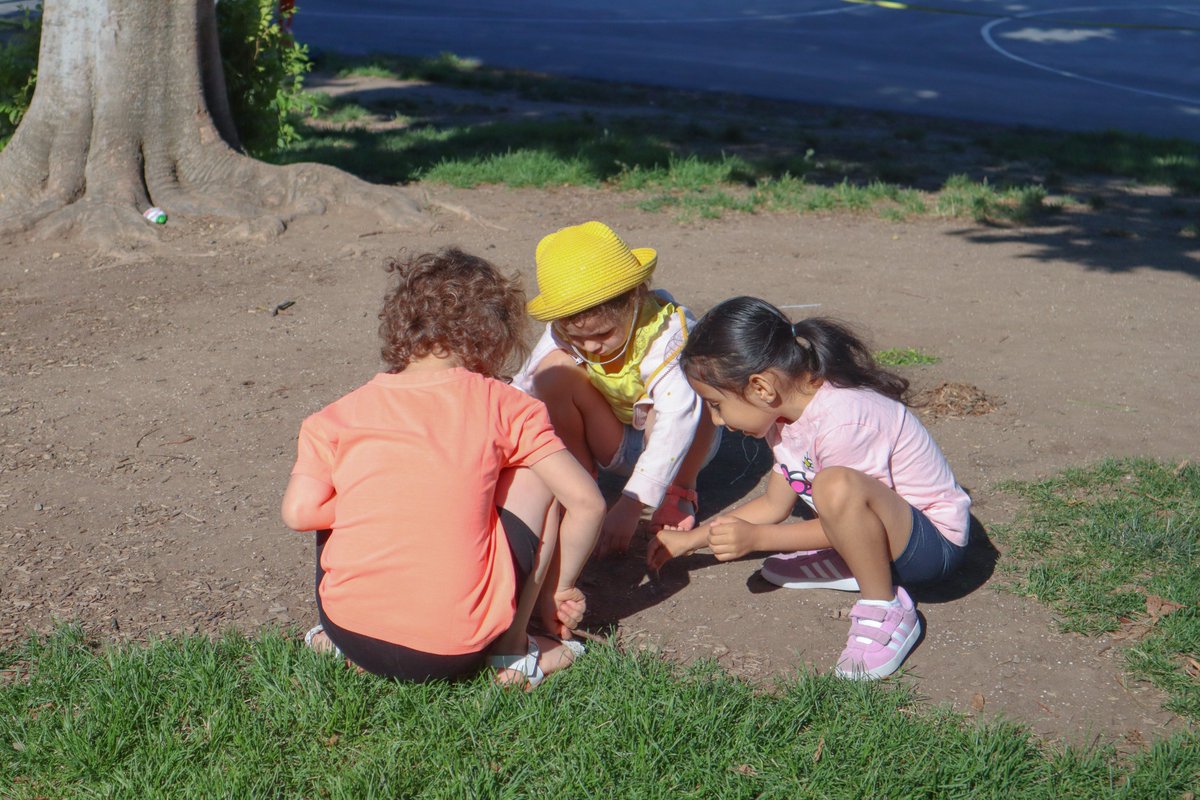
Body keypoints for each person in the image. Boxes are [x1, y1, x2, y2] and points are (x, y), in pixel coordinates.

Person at [281, 248, 606, 687]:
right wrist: (560, 589)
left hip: (348, 631)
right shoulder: (508, 406)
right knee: (537, 472)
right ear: (495, 335)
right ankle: (512, 653)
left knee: (344, 486)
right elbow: (587, 503)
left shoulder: (337, 415)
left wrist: (383, 500)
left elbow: (299, 512)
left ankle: (340, 640)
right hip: (456, 649)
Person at [647, 296, 971, 680]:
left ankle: (884, 607)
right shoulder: (784, 419)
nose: (716, 420)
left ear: (760, 387)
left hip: (933, 550)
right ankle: (852, 560)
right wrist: (692, 540)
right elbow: (774, 504)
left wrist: (758, 539)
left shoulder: (843, 420)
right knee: (831, 490)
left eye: (716, 404)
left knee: (834, 485)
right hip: (890, 536)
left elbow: (849, 511)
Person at [512, 221, 720, 558]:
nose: (590, 346)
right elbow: (524, 384)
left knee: (694, 381)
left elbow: (677, 419)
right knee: (550, 374)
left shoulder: (667, 335)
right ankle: (579, 486)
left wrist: (631, 505)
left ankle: (679, 490)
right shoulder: (568, 327)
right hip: (618, 441)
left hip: (683, 445)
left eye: (603, 334)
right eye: (578, 338)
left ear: (634, 300)